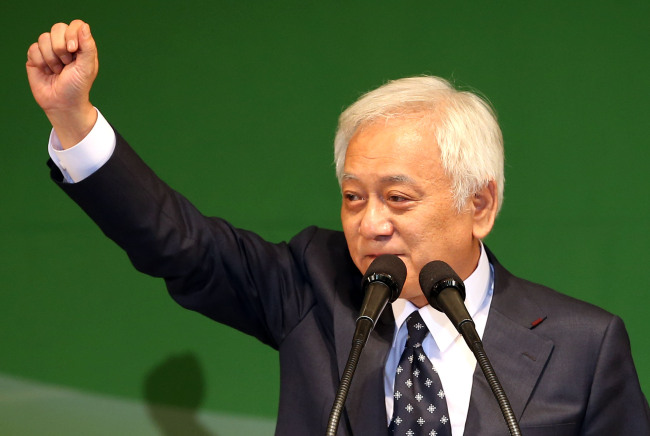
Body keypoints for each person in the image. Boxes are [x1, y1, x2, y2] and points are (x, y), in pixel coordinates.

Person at [27, 20, 650, 436]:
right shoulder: (312, 286)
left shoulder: (583, 348)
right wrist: (74, 120)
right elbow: (181, 246)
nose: (369, 223)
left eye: (398, 198)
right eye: (353, 197)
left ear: (480, 206)